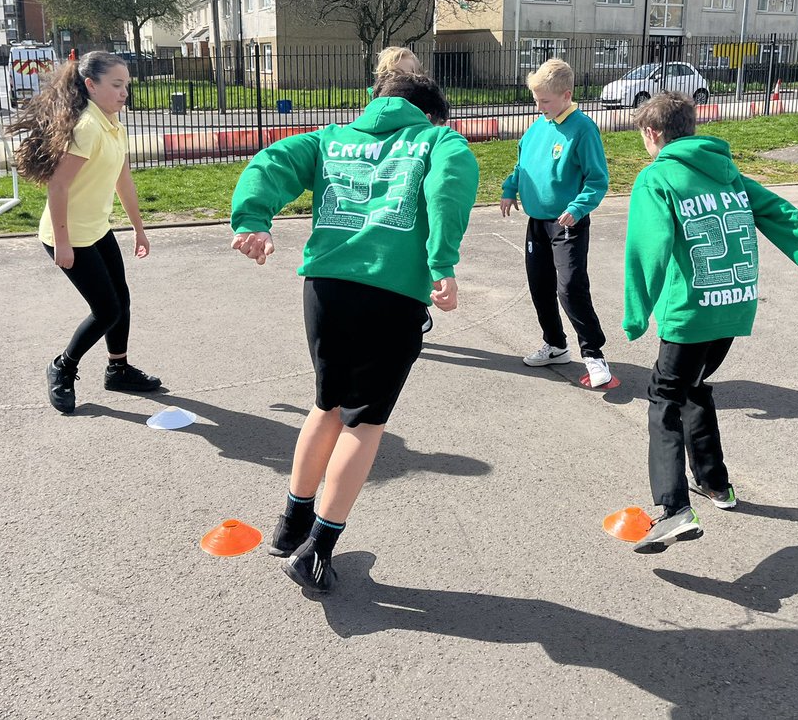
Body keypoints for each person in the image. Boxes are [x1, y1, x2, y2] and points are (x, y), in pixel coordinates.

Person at [230, 72, 479, 594]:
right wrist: (442, 262)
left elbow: (270, 162)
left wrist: (252, 218)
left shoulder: (331, 137)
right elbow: (448, 188)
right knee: (365, 423)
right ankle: (316, 549)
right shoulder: (438, 140)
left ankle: (289, 527)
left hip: (325, 288)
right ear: (430, 114)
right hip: (390, 295)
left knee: (326, 406)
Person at [622, 92, 798, 553]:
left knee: (664, 399)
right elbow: (779, 213)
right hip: (733, 308)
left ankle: (673, 509)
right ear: (690, 127)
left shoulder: (657, 178)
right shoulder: (730, 175)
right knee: (694, 386)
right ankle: (714, 482)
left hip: (691, 313)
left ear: (652, 134)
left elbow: (648, 246)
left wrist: (636, 312)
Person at [5, 51, 163, 414]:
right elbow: (57, 187)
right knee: (106, 308)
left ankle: (118, 369)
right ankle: (62, 366)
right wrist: (61, 242)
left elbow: (123, 179)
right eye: (117, 85)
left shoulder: (113, 123)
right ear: (91, 86)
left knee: (120, 300)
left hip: (95, 229)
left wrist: (139, 229)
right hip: (68, 235)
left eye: (127, 85)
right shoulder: (87, 127)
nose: (125, 93)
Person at [500, 58, 612, 388]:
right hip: (538, 222)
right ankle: (556, 345)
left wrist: (578, 208)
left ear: (565, 95)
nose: (540, 107)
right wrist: (510, 188)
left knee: (571, 286)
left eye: (545, 101)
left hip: (568, 223)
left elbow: (597, 180)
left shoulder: (583, 129)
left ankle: (594, 353)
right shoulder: (538, 127)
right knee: (540, 286)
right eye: (536, 100)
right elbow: (523, 166)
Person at [373, 46, 436, 335]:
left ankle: (416, 301)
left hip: (415, 177)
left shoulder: (424, 101)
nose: (406, 78)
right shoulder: (380, 103)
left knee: (416, 240)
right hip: (389, 177)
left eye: (411, 72)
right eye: (399, 74)